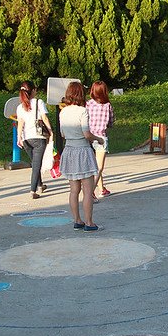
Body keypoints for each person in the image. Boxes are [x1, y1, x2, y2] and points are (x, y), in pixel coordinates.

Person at [59, 81, 105, 232]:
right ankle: (89, 223)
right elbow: (86, 134)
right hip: (82, 151)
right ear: (80, 94)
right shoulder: (82, 111)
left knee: (73, 190)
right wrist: (98, 139)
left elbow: (63, 134)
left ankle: (77, 221)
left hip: (69, 150)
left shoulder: (63, 112)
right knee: (87, 190)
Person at [15, 81, 53, 199]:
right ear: (32, 91)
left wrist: (19, 138)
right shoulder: (39, 102)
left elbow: (20, 123)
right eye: (35, 89)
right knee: (37, 165)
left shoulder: (20, 107)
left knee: (35, 163)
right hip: (38, 138)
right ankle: (33, 191)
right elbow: (44, 118)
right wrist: (50, 131)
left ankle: (40, 185)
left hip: (26, 139)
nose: (36, 91)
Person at [86, 81, 115, 199]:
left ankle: (101, 188)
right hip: (101, 137)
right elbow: (111, 121)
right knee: (99, 167)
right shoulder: (107, 105)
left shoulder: (88, 104)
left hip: (89, 136)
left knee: (94, 166)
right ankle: (91, 192)